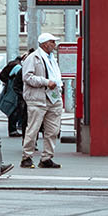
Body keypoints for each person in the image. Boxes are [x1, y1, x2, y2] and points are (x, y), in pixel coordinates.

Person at [19, 32, 64, 170]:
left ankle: (47, 158)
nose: (54, 45)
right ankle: (26, 157)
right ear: (45, 44)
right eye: (52, 42)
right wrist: (45, 82)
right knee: (33, 129)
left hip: (53, 98)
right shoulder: (33, 58)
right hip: (37, 99)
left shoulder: (52, 59)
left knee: (53, 130)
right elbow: (27, 77)